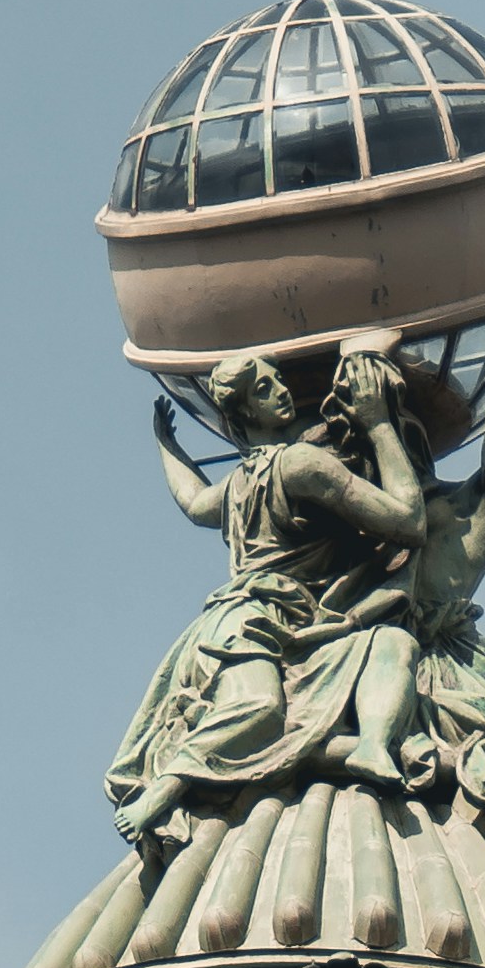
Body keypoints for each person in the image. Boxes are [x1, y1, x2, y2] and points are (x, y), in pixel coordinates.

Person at [104, 346, 428, 851]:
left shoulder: (236, 484)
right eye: (263, 388)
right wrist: (380, 423)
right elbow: (409, 521)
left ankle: (370, 747)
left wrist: (166, 445)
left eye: (276, 380)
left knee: (392, 645)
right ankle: (166, 787)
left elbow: (193, 502)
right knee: (260, 708)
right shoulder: (301, 465)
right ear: (242, 414)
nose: (281, 390)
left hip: (303, 628)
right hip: (248, 622)